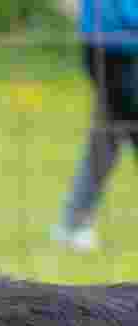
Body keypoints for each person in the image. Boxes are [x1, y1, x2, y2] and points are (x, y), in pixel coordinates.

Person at [51, 0, 138, 252]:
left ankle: (73, 221)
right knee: (113, 130)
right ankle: (73, 223)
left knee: (107, 135)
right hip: (115, 45)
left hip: (113, 43)